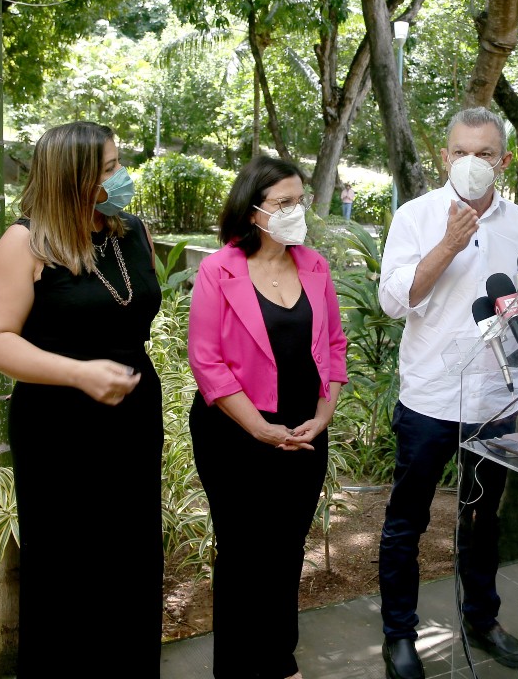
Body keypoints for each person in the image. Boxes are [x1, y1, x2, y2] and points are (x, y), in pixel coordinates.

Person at [0, 122, 163, 675]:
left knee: (130, 559)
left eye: (118, 163)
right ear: (72, 177)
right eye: (108, 169)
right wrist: (78, 373)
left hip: (132, 413)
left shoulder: (131, 231)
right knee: (67, 565)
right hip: (58, 423)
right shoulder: (25, 243)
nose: (121, 177)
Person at [378, 107, 518, 679]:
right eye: (463, 152)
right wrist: (448, 243)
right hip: (430, 400)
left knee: (481, 518)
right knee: (407, 521)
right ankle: (399, 634)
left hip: (495, 398)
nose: (474, 163)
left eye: (486, 153)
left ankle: (482, 619)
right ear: (444, 157)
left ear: (503, 160)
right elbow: (394, 302)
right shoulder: (415, 216)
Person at [187, 155, 347, 679]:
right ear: (253, 210)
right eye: (283, 203)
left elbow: (335, 346)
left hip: (303, 430)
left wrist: (325, 413)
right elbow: (205, 360)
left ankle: (279, 657)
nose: (294, 211)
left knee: (286, 546)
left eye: (299, 201)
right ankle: (235, 666)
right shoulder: (219, 269)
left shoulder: (315, 265)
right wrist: (257, 427)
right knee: (243, 552)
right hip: (235, 433)